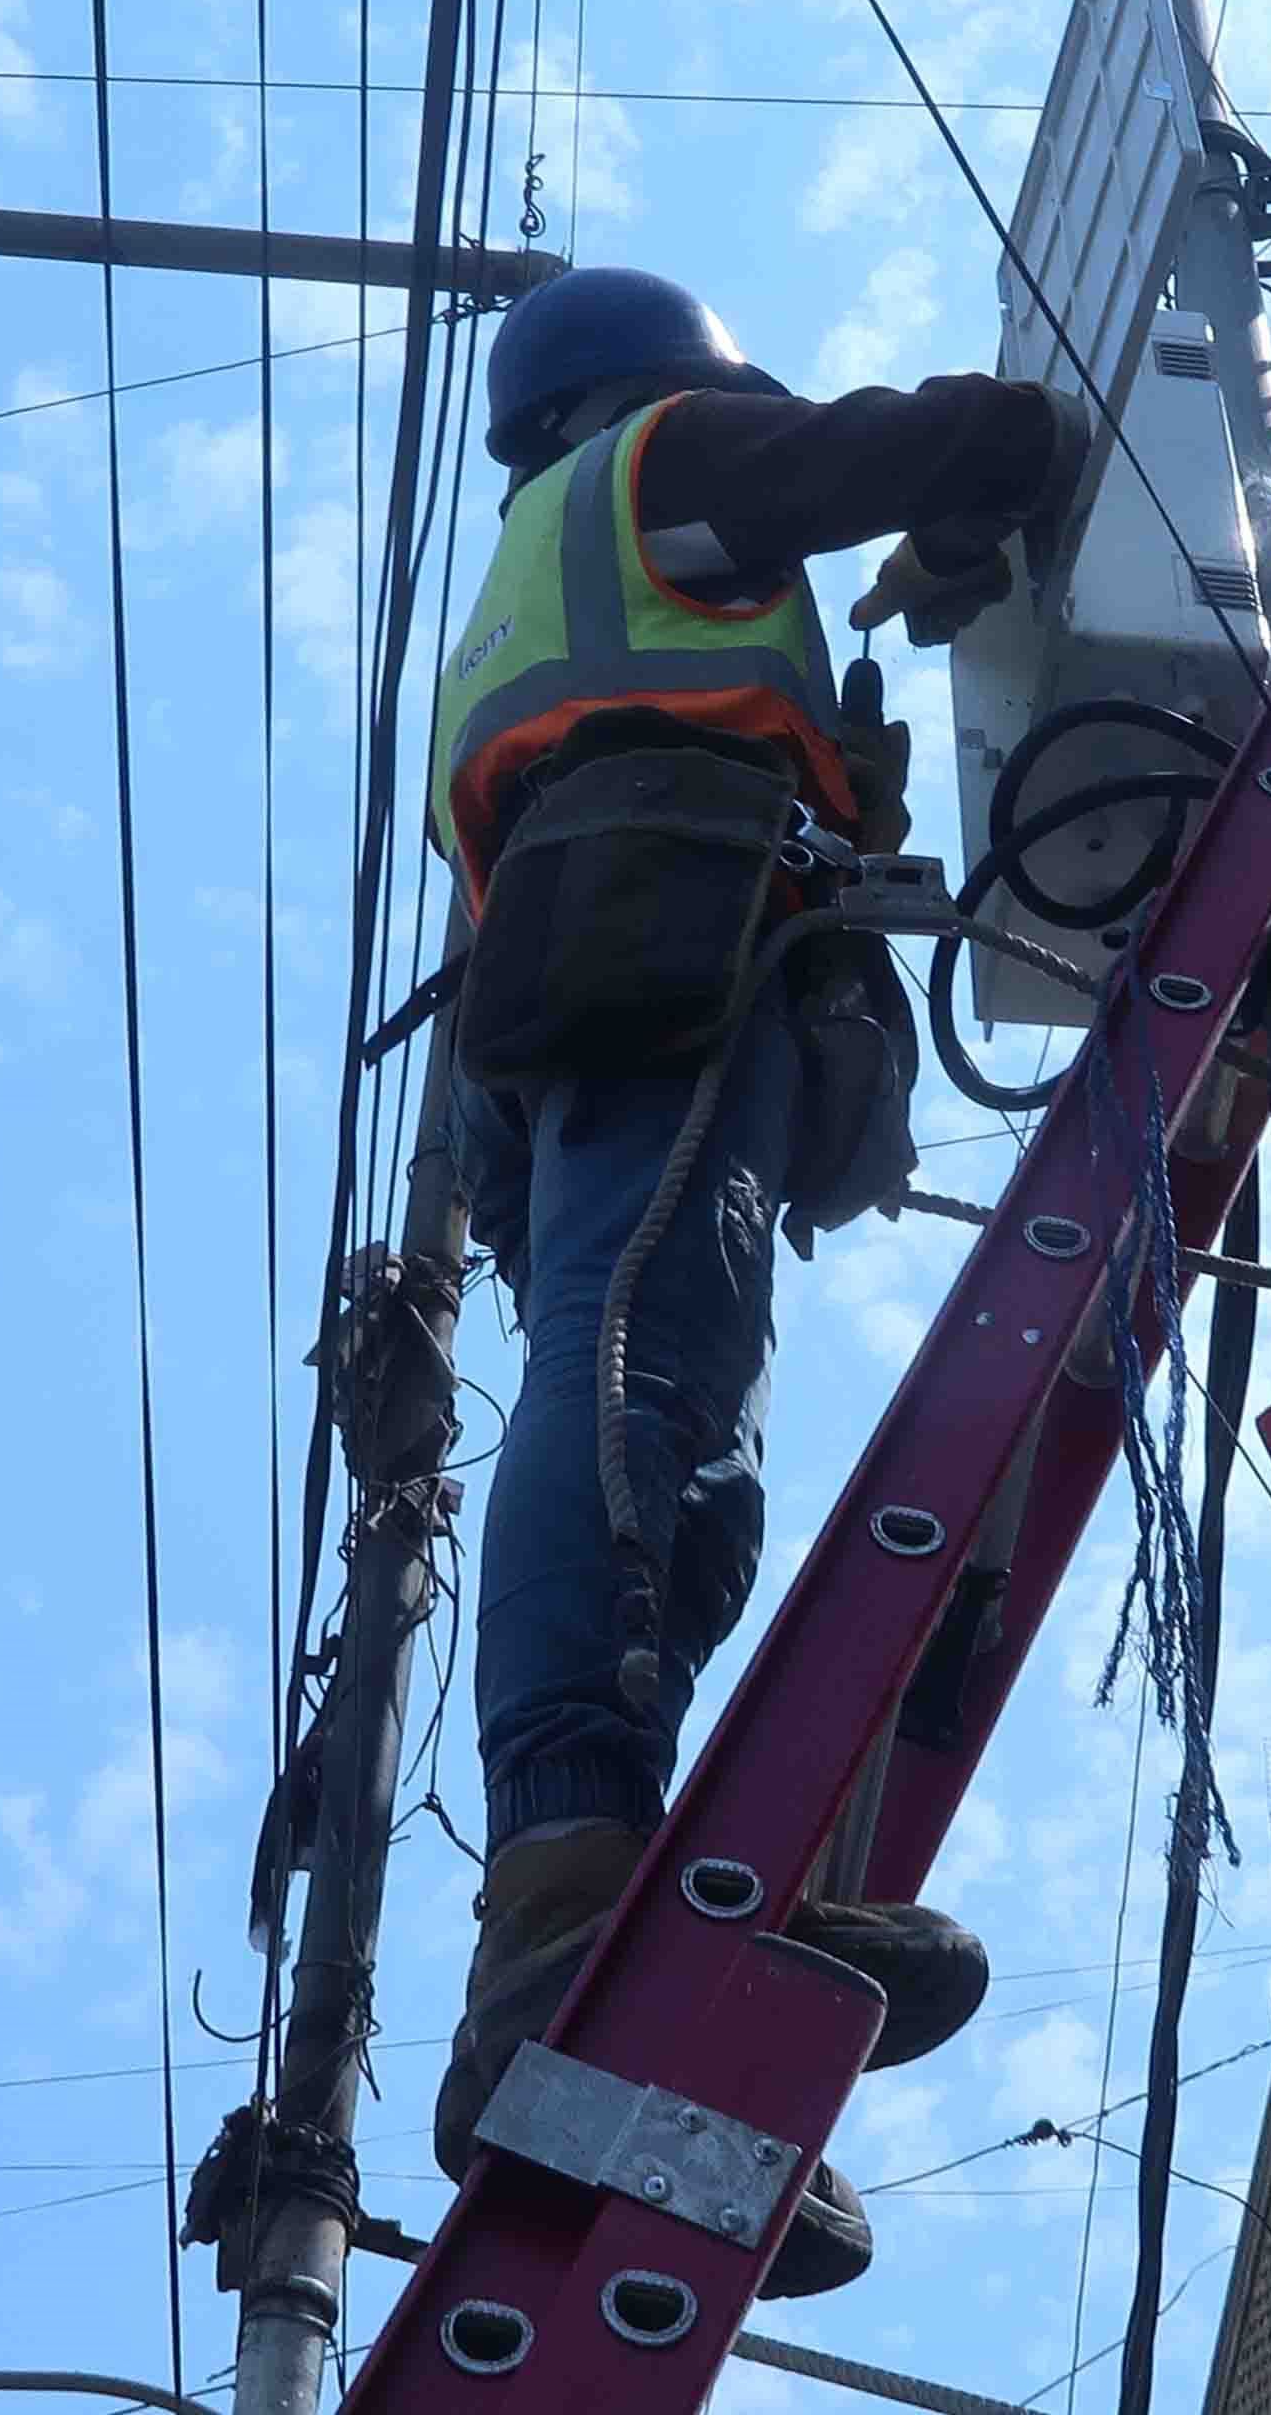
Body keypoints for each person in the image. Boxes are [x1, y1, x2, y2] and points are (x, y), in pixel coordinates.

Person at [421, 261, 1093, 2298]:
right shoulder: (668, 466)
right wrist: (952, 510)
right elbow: (988, 431)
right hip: (656, 919)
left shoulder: (539, 564)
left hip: (572, 972)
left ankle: (668, 1917)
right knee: (639, 1380)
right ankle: (565, 1891)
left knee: (671, 1420)